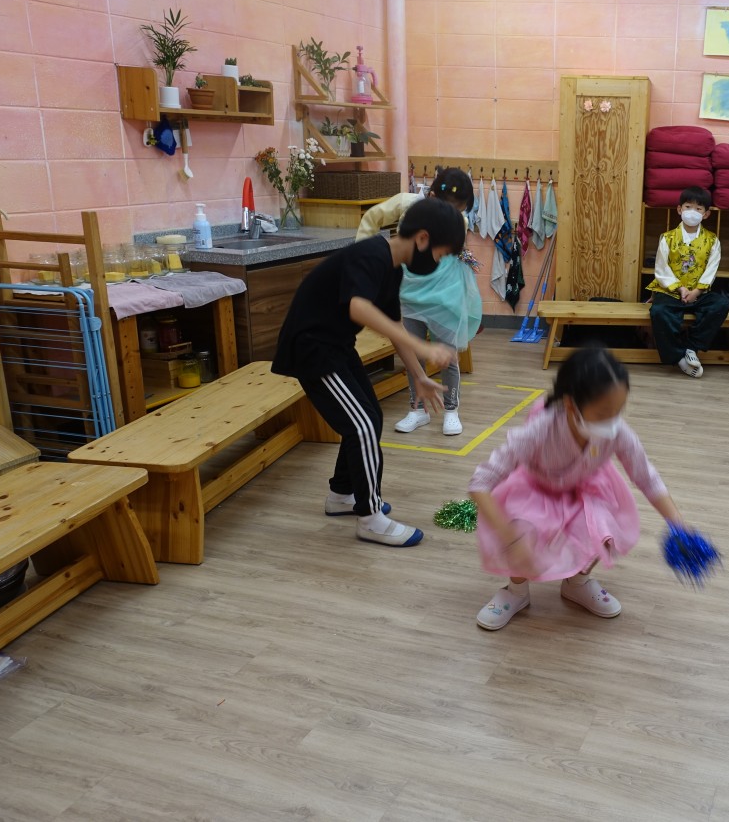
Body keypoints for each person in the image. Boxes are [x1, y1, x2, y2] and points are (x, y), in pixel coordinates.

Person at [272, 198, 461, 547]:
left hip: (336, 346)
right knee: (360, 426)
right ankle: (371, 519)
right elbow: (358, 308)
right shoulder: (371, 254)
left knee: (370, 417)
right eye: (441, 254)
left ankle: (341, 494)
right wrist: (423, 347)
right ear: (422, 239)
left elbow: (394, 326)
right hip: (313, 350)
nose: (438, 263)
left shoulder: (392, 267)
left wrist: (419, 375)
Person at [468, 345, 688, 631]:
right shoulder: (541, 429)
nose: (613, 421)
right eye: (603, 412)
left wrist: (678, 524)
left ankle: (577, 582)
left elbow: (646, 476)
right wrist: (511, 539)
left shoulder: (618, 431)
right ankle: (516, 591)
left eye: (618, 410)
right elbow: (481, 482)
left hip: (584, 487)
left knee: (602, 527)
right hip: (536, 489)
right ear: (571, 404)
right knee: (523, 526)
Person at [356, 167, 475, 436]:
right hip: (408, 295)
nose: (453, 217)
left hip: (443, 298)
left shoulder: (460, 222)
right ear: (431, 197)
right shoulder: (406, 204)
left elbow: (451, 257)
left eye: (458, 211)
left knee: (447, 355)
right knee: (412, 353)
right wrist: (367, 257)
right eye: (450, 210)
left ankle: (451, 409)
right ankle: (417, 409)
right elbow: (372, 218)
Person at [646, 186, 729, 378]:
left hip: (699, 294)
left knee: (721, 305)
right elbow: (661, 268)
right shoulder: (667, 238)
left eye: (698, 209)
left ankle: (692, 347)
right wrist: (680, 288)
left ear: (706, 214)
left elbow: (711, 269)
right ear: (679, 209)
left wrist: (697, 292)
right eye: (688, 207)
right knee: (659, 312)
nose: (692, 212)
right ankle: (678, 357)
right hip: (671, 292)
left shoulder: (712, 240)